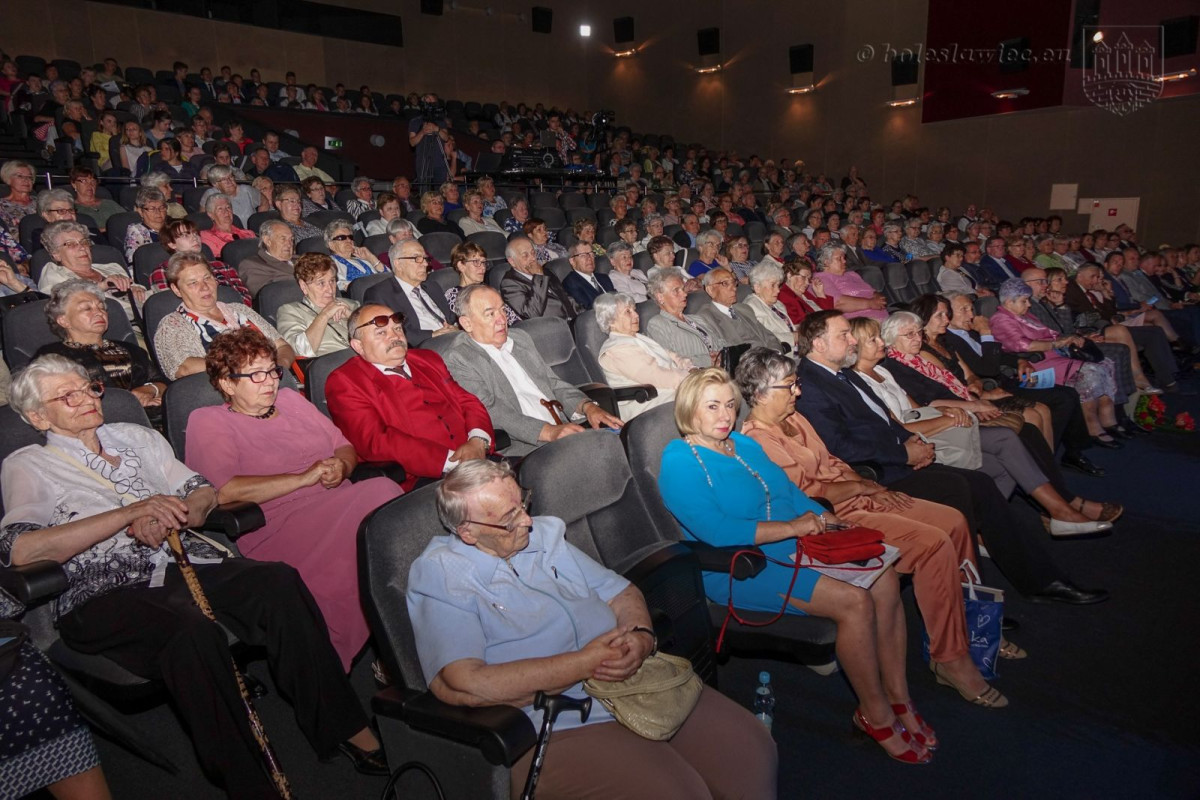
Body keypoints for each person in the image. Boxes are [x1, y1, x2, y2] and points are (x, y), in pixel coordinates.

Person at [1, 355, 388, 795]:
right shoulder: (29, 464)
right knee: (191, 631)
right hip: (103, 591)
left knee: (277, 581)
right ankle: (251, 784)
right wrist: (130, 513)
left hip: (185, 561)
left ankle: (340, 725)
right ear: (36, 416)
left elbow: (201, 491)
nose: (86, 398)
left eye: (88, 388)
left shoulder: (138, 437)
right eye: (66, 395)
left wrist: (176, 513)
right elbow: (21, 549)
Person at [407, 459, 778, 797]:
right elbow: (464, 681)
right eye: (509, 517)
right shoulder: (443, 574)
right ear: (468, 532)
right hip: (556, 721)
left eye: (523, 504)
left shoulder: (545, 538)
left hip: (633, 682)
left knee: (752, 749)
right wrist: (584, 663)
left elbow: (620, 591)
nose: (526, 520)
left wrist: (640, 636)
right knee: (678, 793)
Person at [659, 368, 934, 762]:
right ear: (689, 410)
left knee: (885, 577)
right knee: (854, 601)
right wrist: (795, 526)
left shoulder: (741, 444)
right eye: (712, 406)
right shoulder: (681, 461)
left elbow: (787, 491)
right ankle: (874, 714)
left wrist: (826, 521)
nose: (725, 415)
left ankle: (899, 697)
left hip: (788, 544)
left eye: (731, 405)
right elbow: (716, 531)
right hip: (736, 565)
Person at [736, 347, 1012, 706]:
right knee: (933, 543)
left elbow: (833, 461)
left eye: (796, 383)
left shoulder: (795, 419)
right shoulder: (759, 438)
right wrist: (861, 486)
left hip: (856, 496)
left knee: (955, 521)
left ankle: (971, 622)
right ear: (759, 393)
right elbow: (807, 495)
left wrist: (870, 486)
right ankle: (950, 657)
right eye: (789, 386)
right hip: (830, 517)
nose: (797, 392)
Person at [794, 309, 1108, 605]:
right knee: (969, 488)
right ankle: (985, 599)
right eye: (844, 335)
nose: (852, 341)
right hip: (877, 473)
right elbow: (838, 446)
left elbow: (886, 422)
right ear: (819, 344)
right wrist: (904, 453)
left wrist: (913, 442)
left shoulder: (839, 375)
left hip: (897, 459)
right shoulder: (811, 384)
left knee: (981, 482)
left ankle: (1023, 583)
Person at [184, 327, 401, 669]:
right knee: (383, 494)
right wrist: (305, 477)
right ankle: (392, 641)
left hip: (337, 502)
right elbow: (223, 489)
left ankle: (397, 639)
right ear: (227, 383)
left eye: (272, 370)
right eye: (255, 374)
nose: (269, 381)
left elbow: (342, 444)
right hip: (278, 525)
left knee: (384, 506)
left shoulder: (291, 399)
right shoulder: (208, 421)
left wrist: (342, 468)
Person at [858, 314, 1119, 533]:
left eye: (918, 332)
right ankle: (1058, 508)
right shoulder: (891, 366)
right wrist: (966, 406)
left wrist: (968, 399)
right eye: (909, 335)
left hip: (951, 413)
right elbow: (914, 413)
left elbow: (929, 399)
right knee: (1011, 436)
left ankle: (1035, 510)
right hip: (929, 431)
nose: (917, 338)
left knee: (1026, 432)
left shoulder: (889, 368)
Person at [325, 303, 493, 491]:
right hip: (427, 479)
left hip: (478, 458)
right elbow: (377, 441)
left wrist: (478, 440)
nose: (395, 336)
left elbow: (467, 401)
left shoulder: (427, 359)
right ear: (358, 346)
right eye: (381, 333)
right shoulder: (345, 381)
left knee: (529, 475)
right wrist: (453, 462)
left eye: (397, 328)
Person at [444, 284, 622, 456]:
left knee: (625, 444)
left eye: (503, 310)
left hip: (564, 428)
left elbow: (552, 383)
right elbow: (491, 411)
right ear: (467, 323)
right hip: (527, 447)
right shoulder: (459, 358)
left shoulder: (520, 338)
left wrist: (587, 406)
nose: (502, 320)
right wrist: (549, 432)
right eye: (490, 314)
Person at [991, 278, 1126, 447]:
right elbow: (1022, 345)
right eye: (1024, 301)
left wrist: (1071, 338)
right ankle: (1092, 426)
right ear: (1009, 302)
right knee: (1089, 372)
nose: (1029, 305)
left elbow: (1053, 333)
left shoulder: (1024, 315)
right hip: (1032, 364)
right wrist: (1058, 343)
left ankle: (1107, 418)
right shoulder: (1001, 319)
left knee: (1105, 363)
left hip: (1051, 356)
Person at [154, 252, 294, 379]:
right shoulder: (173, 324)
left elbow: (282, 346)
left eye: (207, 278)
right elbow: (183, 367)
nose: (204, 287)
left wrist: (278, 369)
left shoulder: (240, 310)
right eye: (193, 283)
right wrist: (244, 368)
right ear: (176, 290)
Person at [594, 292, 691, 419]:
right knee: (707, 396)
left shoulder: (637, 337)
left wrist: (692, 368)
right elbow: (656, 376)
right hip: (645, 402)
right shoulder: (617, 349)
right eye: (628, 312)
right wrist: (693, 380)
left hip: (667, 389)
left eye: (634, 310)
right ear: (611, 321)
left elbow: (671, 356)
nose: (636, 315)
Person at [38, 221, 147, 325]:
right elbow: (63, 300)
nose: (82, 247)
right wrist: (102, 286)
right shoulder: (53, 273)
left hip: (144, 312)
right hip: (116, 322)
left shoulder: (112, 267)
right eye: (70, 244)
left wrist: (137, 288)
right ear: (56, 254)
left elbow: (136, 287)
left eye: (84, 242)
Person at [363, 239, 458, 346]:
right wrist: (432, 335)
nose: (425, 264)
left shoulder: (432, 286)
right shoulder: (380, 294)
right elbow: (387, 332)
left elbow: (451, 317)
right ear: (398, 264)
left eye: (425, 259)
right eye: (417, 258)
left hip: (453, 339)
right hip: (424, 347)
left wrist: (456, 328)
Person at [148, 218, 251, 305]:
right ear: (171, 244)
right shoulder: (163, 271)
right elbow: (171, 304)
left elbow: (244, 297)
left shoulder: (222, 266)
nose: (195, 238)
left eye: (195, 234)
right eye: (186, 235)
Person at [276, 253, 360, 358]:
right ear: (303, 286)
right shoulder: (290, 311)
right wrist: (324, 315)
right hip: (331, 367)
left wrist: (352, 317)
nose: (330, 289)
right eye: (321, 283)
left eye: (332, 281)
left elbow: (377, 337)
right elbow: (299, 351)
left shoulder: (351, 305)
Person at [645, 268, 725, 366]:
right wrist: (708, 360)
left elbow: (720, 342)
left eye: (683, 289)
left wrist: (722, 356)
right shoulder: (657, 324)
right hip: (694, 376)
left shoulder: (697, 319)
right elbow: (669, 360)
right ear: (660, 297)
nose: (684, 294)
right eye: (676, 290)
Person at [693, 268, 782, 352]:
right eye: (725, 283)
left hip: (770, 360)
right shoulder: (705, 318)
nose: (734, 288)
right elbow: (724, 352)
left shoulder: (744, 309)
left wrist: (776, 355)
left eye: (734, 283)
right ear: (710, 290)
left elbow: (770, 337)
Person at [499, 236, 578, 321]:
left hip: (572, 322)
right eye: (525, 255)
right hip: (551, 328)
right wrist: (539, 277)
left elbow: (566, 298)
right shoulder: (509, 283)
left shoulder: (547, 271)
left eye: (533, 253)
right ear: (512, 262)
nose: (533, 258)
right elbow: (532, 313)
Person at [444, 241, 520, 324]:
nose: (483, 267)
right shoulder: (454, 295)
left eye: (483, 262)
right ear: (461, 266)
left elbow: (513, 318)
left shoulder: (488, 291)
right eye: (476, 262)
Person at [736, 262, 799, 350]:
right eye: (772, 285)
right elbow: (761, 338)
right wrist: (794, 337)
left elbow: (787, 328)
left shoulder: (778, 304)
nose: (778, 290)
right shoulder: (749, 308)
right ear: (757, 287)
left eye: (778, 285)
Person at [816, 244, 887, 321]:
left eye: (844, 258)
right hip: (860, 323)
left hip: (884, 319)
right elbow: (837, 303)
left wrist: (878, 297)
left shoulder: (852, 274)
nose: (844, 261)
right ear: (826, 262)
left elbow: (872, 292)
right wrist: (870, 303)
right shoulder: (821, 278)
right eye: (839, 258)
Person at [237, 218, 296, 297]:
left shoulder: (303, 259)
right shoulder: (252, 265)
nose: (289, 244)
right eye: (283, 239)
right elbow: (267, 295)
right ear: (267, 240)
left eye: (291, 239)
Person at [324, 219, 386, 290]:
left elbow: (388, 276)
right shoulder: (330, 263)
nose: (349, 240)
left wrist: (371, 258)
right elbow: (337, 285)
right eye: (342, 237)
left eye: (350, 237)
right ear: (331, 244)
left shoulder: (363, 260)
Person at [777, 256, 834, 325]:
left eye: (809, 279)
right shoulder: (784, 296)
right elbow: (801, 325)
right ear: (789, 275)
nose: (807, 283)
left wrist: (820, 294)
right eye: (803, 277)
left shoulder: (805, 294)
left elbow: (831, 314)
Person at [198, 192, 255, 258]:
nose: (226, 211)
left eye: (228, 207)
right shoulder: (205, 236)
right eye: (220, 208)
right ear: (211, 214)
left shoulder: (249, 234)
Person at [562, 241, 615, 310]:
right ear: (572, 261)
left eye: (591, 254)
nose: (589, 258)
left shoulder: (604, 278)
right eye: (583, 255)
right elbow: (586, 309)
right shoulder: (570, 283)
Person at [69, 167, 126, 231]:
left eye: (93, 181)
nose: (90, 185)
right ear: (74, 184)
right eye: (84, 181)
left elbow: (127, 221)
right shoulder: (71, 208)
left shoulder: (110, 203)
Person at [122, 187, 168, 263]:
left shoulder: (172, 227)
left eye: (161, 207)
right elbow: (134, 260)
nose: (158, 212)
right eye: (152, 208)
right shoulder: (135, 230)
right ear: (140, 211)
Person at [0, 161, 38, 241]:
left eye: (29, 177)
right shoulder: (2, 205)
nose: (26, 180)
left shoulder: (41, 202)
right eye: (20, 176)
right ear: (8, 179)